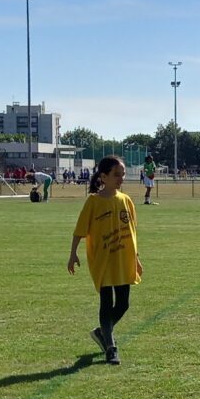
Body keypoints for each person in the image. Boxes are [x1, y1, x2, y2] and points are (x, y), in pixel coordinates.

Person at [68, 156, 143, 365]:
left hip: (123, 259)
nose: (121, 178)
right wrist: (73, 254)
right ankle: (111, 348)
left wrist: (136, 258)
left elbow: (132, 232)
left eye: (123, 175)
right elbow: (79, 230)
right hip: (103, 260)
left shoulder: (126, 200)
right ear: (104, 177)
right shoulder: (93, 201)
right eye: (116, 175)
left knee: (123, 304)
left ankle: (102, 332)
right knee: (106, 302)